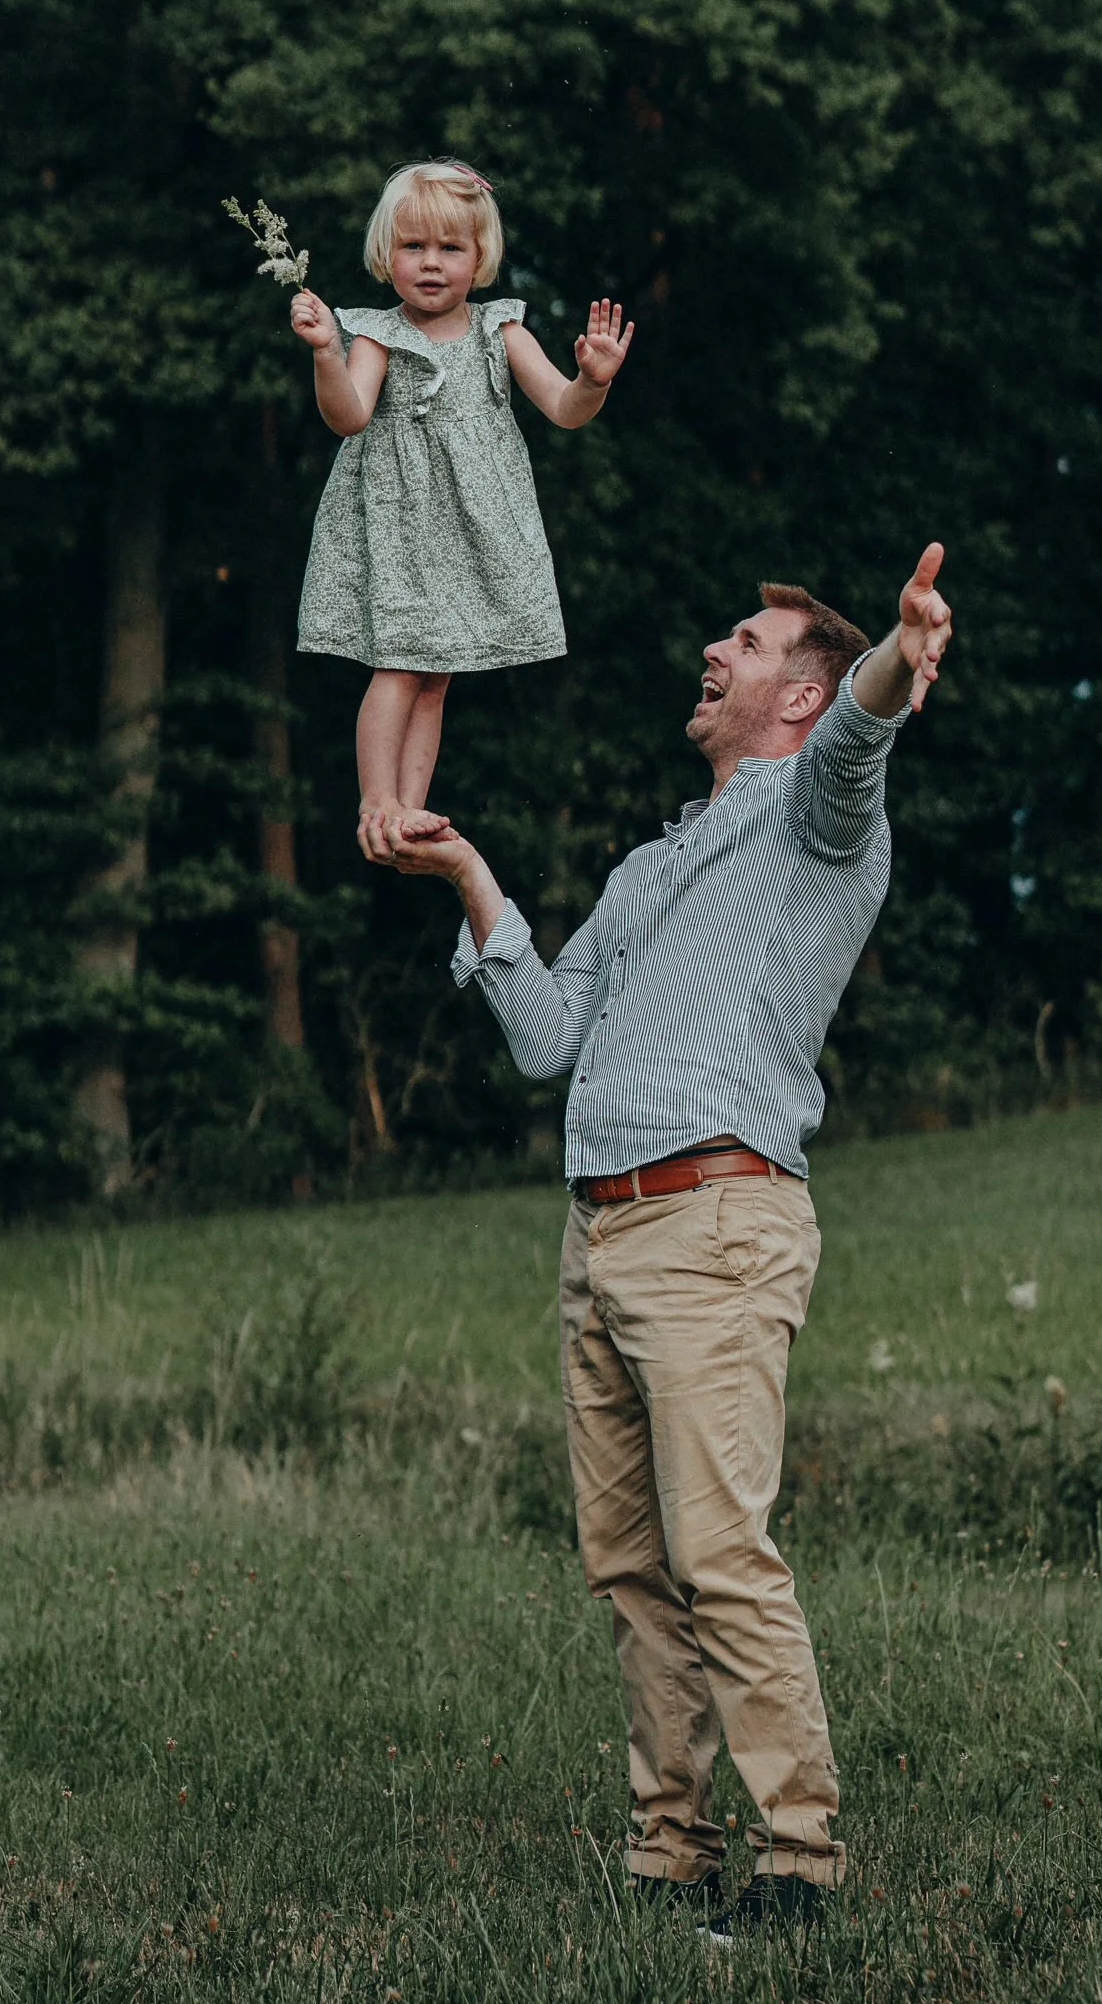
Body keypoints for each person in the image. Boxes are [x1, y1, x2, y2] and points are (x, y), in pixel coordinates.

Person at [389, 545, 953, 1941]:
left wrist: (894, 648)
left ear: (796, 700)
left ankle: (799, 1864)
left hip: (715, 1222)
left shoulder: (819, 818)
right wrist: (465, 869)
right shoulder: (653, 864)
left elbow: (863, 732)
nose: (715, 650)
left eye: (748, 646)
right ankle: (667, 1848)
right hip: (598, 1237)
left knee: (719, 1551)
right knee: (632, 1568)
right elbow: (544, 1040)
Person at [289, 159, 634, 863]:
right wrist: (329, 352)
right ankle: (376, 799)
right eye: (414, 247)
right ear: (387, 256)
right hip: (398, 526)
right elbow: (349, 416)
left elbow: (565, 412)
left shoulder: (500, 330)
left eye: (451, 248)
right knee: (398, 663)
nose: (432, 264)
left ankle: (409, 809)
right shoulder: (380, 335)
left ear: (480, 259)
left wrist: (592, 381)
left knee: (436, 673)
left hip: (470, 531)